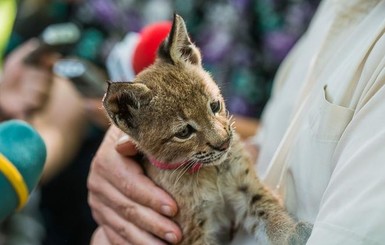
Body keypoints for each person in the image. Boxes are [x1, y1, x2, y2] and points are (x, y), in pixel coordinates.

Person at [88, 0, 385, 244]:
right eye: (185, 131)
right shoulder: (332, 12)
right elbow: (275, 139)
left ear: (190, 56)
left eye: (216, 107)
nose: (221, 138)